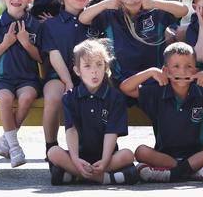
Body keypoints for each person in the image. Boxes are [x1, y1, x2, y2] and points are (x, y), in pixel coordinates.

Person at [119, 42, 203, 182]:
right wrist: (151, 72)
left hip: (198, 155)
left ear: (196, 71)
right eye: (176, 66)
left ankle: (172, 174)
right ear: (165, 71)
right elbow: (125, 88)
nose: (183, 71)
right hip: (165, 157)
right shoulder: (156, 92)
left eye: (188, 66)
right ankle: (191, 173)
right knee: (141, 151)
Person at [46, 39, 138, 185]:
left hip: (107, 157)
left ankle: (75, 176)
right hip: (79, 156)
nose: (94, 71)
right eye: (87, 66)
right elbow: (71, 130)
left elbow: (111, 132)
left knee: (127, 155)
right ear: (77, 70)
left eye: (99, 65)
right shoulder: (69, 97)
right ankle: (105, 178)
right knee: (53, 153)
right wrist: (75, 160)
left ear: (106, 67)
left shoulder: (115, 97)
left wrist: (105, 160)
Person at [78, 0, 188, 88]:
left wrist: (155, 3)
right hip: (120, 80)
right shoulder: (110, 14)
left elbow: (183, 10)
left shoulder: (156, 12)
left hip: (154, 80)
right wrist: (105, 4)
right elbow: (83, 18)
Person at [0, 0, 47, 168]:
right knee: (5, 98)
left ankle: (6, 142)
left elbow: (41, 58)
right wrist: (6, 43)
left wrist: (26, 43)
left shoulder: (35, 25)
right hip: (3, 78)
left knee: (27, 96)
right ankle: (15, 147)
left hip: (28, 79)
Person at [39, 0, 102, 160]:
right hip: (59, 75)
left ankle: (93, 148)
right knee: (52, 97)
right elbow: (54, 55)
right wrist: (67, 81)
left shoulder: (97, 21)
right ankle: (51, 146)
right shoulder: (51, 24)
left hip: (91, 76)